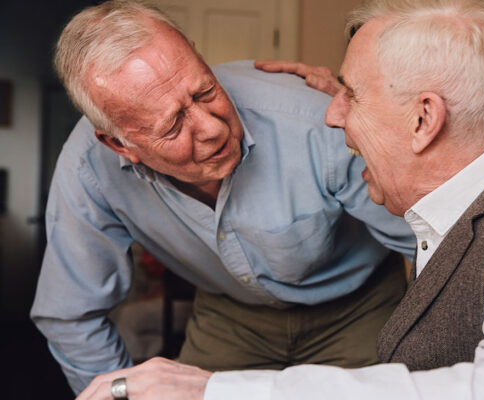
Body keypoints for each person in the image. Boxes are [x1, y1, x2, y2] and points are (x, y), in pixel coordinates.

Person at [76, 0, 484, 399]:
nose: (329, 114)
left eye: (349, 93)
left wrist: (214, 391)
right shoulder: (467, 205)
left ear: (423, 120)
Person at [30, 0, 418, 395]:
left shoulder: (313, 123)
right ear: (118, 143)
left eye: (205, 91)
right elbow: (71, 315)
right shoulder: (88, 170)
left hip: (360, 305)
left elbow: (431, 244)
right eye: (173, 125)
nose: (212, 129)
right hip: (229, 315)